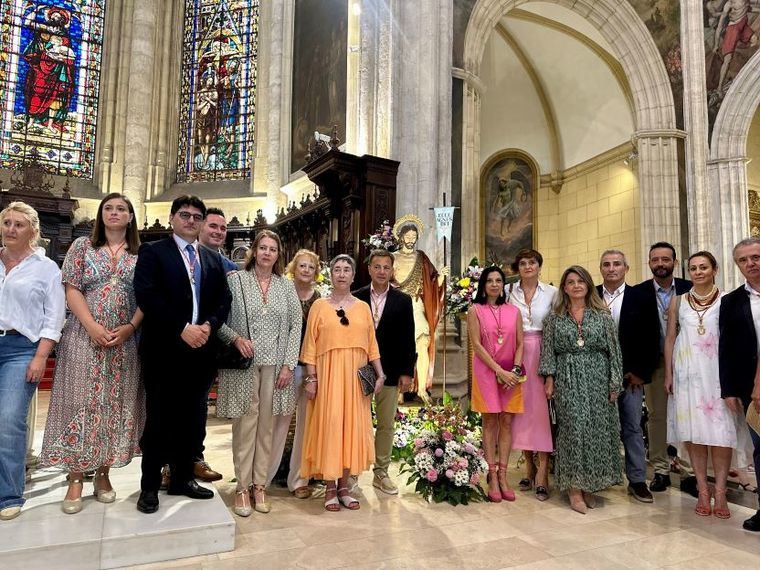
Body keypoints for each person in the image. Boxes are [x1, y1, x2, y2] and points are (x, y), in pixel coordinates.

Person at [39, 193, 144, 514]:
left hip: (124, 342)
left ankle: (103, 473)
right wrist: (92, 326)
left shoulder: (142, 254)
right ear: (101, 215)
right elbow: (71, 288)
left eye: (121, 209)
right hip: (84, 338)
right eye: (108, 208)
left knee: (114, 405)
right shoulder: (82, 247)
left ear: (130, 217)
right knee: (80, 402)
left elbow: (148, 296)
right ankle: (74, 476)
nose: (114, 213)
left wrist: (129, 327)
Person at [133, 195, 231, 514]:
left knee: (191, 420)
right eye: (185, 215)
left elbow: (223, 301)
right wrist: (181, 327)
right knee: (160, 420)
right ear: (173, 218)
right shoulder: (154, 252)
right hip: (164, 349)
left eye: (196, 216)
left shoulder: (213, 259)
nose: (191, 220)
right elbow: (147, 295)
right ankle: (149, 487)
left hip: (201, 352)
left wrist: (207, 326)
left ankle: (182, 479)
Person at [216, 230, 300, 516]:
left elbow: (294, 327)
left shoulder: (285, 287)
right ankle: (241, 487)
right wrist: (236, 339)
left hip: (275, 368)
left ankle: (259, 485)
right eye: (262, 248)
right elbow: (217, 319)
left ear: (278, 255)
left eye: (272, 249)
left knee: (267, 427)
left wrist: (289, 364)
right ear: (254, 251)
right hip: (244, 365)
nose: (267, 253)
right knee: (245, 425)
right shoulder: (235, 281)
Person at [665, 251, 747, 519]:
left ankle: (721, 491)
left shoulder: (728, 300)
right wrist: (669, 373)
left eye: (703, 267)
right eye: (694, 268)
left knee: (721, 434)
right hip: (687, 373)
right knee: (694, 432)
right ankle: (702, 488)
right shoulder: (678, 302)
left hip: (717, 374)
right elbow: (670, 339)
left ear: (715, 269)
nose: (698, 272)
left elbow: (735, 340)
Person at [300, 254, 386, 511]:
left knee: (351, 429)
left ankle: (345, 486)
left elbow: (372, 346)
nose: (341, 274)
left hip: (355, 380)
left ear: (352, 275)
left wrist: (380, 374)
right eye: (336, 269)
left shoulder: (362, 308)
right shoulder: (319, 307)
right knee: (331, 426)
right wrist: (312, 378)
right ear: (331, 274)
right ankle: (329, 487)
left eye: (346, 269)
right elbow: (310, 347)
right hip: (328, 378)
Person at [539, 265, 623, 514]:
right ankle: (574, 489)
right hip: (567, 377)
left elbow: (614, 351)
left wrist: (615, 382)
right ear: (564, 288)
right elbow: (548, 351)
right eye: (571, 282)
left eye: (581, 281)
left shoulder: (602, 316)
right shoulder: (554, 318)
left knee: (596, 431)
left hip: (597, 377)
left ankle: (590, 486)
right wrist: (549, 379)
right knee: (574, 429)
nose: (576, 286)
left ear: (588, 285)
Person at [0, 201, 65, 521]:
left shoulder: (46, 269)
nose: (11, 229)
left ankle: (8, 493)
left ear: (33, 231)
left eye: (18, 225)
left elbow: (54, 317)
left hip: (21, 348)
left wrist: (41, 356)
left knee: (9, 419)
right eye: (7, 222)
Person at [634, 242, 697, 496]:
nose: (660, 264)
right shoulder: (638, 293)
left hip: (688, 361)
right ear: (649, 263)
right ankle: (660, 469)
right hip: (655, 364)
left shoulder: (689, 288)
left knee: (688, 415)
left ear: (675, 262)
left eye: (665, 259)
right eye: (655, 259)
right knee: (657, 416)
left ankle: (690, 471)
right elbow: (633, 333)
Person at [354, 250, 416, 495]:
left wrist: (407, 371)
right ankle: (353, 472)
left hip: (390, 370)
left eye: (386, 267)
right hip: (360, 369)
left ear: (392, 271)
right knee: (357, 423)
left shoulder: (402, 300)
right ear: (369, 269)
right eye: (377, 267)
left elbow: (407, 339)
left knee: (386, 424)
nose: (381, 272)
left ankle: (381, 472)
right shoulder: (356, 297)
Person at [596, 250, 654, 504]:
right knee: (598, 429)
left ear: (626, 269)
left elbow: (652, 337)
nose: (611, 269)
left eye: (617, 264)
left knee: (631, 427)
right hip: (595, 376)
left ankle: (638, 480)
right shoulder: (590, 296)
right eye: (606, 265)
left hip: (631, 376)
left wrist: (641, 372)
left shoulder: (641, 297)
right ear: (600, 269)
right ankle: (598, 477)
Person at [266, 249, 322, 499]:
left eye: (311, 267)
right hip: (285, 368)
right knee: (278, 423)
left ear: (316, 272)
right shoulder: (283, 291)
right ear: (293, 268)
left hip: (309, 368)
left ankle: (299, 480)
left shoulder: (319, 299)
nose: (306, 270)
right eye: (302, 266)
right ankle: (262, 479)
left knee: (305, 427)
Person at [468, 265, 524, 503]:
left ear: (503, 285)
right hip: (487, 372)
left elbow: (521, 343)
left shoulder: (514, 311)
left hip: (511, 375)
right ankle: (491, 475)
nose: (494, 284)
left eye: (498, 280)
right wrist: (499, 371)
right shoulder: (475, 310)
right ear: (483, 285)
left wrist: (515, 370)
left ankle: (503, 475)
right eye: (489, 280)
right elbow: (476, 345)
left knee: (507, 421)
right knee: (490, 420)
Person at [506, 249, 556, 501]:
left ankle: (544, 472)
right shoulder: (508, 293)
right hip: (516, 354)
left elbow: (557, 327)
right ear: (518, 268)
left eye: (532, 262)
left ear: (539, 266)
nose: (528, 266)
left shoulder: (552, 293)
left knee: (541, 415)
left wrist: (551, 372)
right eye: (523, 263)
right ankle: (529, 466)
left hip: (542, 352)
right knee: (520, 413)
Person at [719, 237, 760, 531]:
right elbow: (727, 348)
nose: (751, 264)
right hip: (751, 389)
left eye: (756, 257)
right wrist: (729, 389)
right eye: (744, 260)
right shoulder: (731, 301)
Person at [392, 216, 446, 401]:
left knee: (423, 343)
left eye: (414, 235)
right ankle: (399, 391)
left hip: (416, 305)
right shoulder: (392, 258)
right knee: (398, 347)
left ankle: (422, 388)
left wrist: (441, 279)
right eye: (407, 235)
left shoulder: (421, 257)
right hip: (398, 306)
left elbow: (432, 282)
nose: (411, 239)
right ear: (400, 237)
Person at [199, 207, 237, 274]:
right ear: (200, 227)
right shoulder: (186, 260)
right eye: (213, 226)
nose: (219, 232)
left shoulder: (231, 267)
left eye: (223, 228)